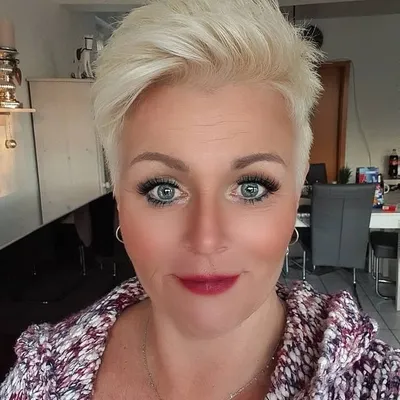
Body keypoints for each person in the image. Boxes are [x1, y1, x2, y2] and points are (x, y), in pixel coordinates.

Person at [1, 0, 400, 398]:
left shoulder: (372, 384)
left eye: (251, 188)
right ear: (119, 200)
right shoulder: (43, 374)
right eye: (164, 190)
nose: (206, 240)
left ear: (294, 198)